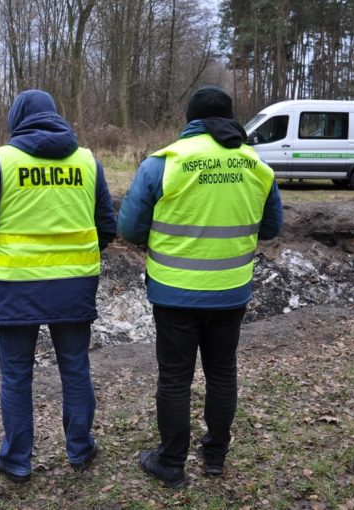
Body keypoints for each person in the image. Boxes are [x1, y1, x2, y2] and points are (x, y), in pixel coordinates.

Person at [118, 86, 283, 488]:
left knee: (175, 377)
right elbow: (272, 228)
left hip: (174, 292)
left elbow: (128, 228)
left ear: (190, 119)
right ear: (231, 119)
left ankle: (171, 462)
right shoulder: (257, 166)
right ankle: (214, 456)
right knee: (222, 372)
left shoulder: (164, 164)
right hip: (230, 291)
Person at [0, 90, 116, 483]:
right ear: (56, 117)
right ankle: (80, 451)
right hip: (74, 286)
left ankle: (16, 461)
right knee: (75, 368)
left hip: (17, 286)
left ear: (17, 120)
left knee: (16, 375)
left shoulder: (1, 161)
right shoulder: (87, 162)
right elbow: (108, 227)